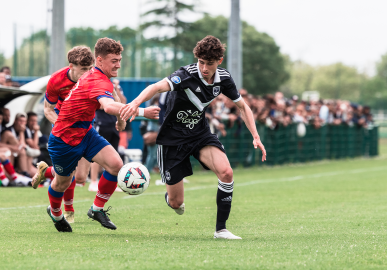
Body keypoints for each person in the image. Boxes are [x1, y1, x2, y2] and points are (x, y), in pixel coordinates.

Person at [119, 35, 267, 239]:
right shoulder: (185, 75)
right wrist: (135, 103)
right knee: (176, 203)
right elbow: (156, 87)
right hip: (172, 139)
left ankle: (221, 230)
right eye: (201, 62)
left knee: (226, 173)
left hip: (199, 135)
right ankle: (171, 198)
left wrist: (256, 136)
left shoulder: (224, 79)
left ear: (219, 62)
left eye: (210, 63)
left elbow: (243, 107)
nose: (204, 68)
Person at [32, 38, 160, 232]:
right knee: (63, 182)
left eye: (119, 59)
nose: (118, 64)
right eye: (113, 60)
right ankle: (56, 212)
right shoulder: (94, 79)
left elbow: (113, 99)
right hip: (64, 139)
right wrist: (141, 111)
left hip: (86, 132)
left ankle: (97, 209)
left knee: (116, 165)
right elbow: (108, 107)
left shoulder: (99, 77)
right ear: (100, 61)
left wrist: (121, 119)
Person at [33, 45, 96, 223]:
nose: (87, 73)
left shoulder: (94, 77)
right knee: (70, 173)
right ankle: (68, 209)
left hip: (86, 126)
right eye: (83, 69)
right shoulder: (56, 80)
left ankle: (46, 172)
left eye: (90, 68)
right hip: (63, 126)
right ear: (71, 66)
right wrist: (63, 126)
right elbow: (48, 110)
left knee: (82, 177)